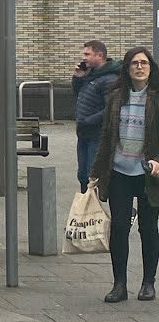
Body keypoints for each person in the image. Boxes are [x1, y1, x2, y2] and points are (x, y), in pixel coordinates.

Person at [90, 46, 159, 303]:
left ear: (150, 68)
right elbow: (107, 137)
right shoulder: (116, 97)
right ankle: (119, 284)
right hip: (119, 172)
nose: (139, 67)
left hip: (148, 175)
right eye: (134, 63)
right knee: (118, 228)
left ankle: (148, 283)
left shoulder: (157, 97)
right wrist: (96, 171)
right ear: (127, 69)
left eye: (144, 63)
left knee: (149, 229)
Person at [75, 40, 122, 193]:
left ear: (100, 55)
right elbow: (79, 96)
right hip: (84, 133)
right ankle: (86, 209)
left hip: (97, 134)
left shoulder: (109, 79)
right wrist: (78, 78)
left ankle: (94, 211)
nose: (84, 58)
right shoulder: (91, 75)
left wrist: (88, 121)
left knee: (92, 175)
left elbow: (110, 108)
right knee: (83, 175)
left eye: (87, 54)